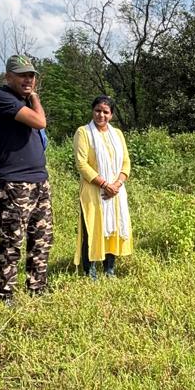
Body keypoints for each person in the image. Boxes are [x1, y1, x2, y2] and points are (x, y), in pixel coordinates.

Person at [0, 54, 53, 303]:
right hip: (13, 182)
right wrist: (35, 97)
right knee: (12, 239)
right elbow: (40, 121)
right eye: (22, 75)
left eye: (31, 76)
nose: (28, 80)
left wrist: (30, 98)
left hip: (39, 180)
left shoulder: (23, 101)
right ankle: (4, 293)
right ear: (8, 76)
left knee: (42, 237)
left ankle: (37, 287)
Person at [74, 96, 132, 279]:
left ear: (111, 115)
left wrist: (116, 185)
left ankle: (109, 269)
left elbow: (126, 162)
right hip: (93, 191)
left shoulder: (118, 134)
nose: (101, 115)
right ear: (93, 111)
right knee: (92, 230)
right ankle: (89, 272)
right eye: (98, 110)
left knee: (113, 228)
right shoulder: (83, 132)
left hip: (115, 192)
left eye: (106, 112)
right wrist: (105, 185)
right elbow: (81, 164)